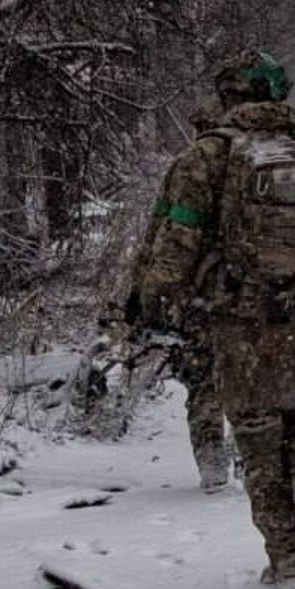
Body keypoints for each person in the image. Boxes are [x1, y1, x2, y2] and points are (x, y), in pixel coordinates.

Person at [134, 50, 295, 586]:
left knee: (256, 433)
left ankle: (285, 559)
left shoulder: (207, 156)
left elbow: (176, 244)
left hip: (236, 318)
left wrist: (156, 301)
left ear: (230, 97)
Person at [122, 99, 235, 493]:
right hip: (256, 293)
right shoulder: (261, 167)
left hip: (200, 294)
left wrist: (144, 292)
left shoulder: (188, 167)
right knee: (252, 379)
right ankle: (253, 456)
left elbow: (161, 232)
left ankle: (212, 468)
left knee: (203, 380)